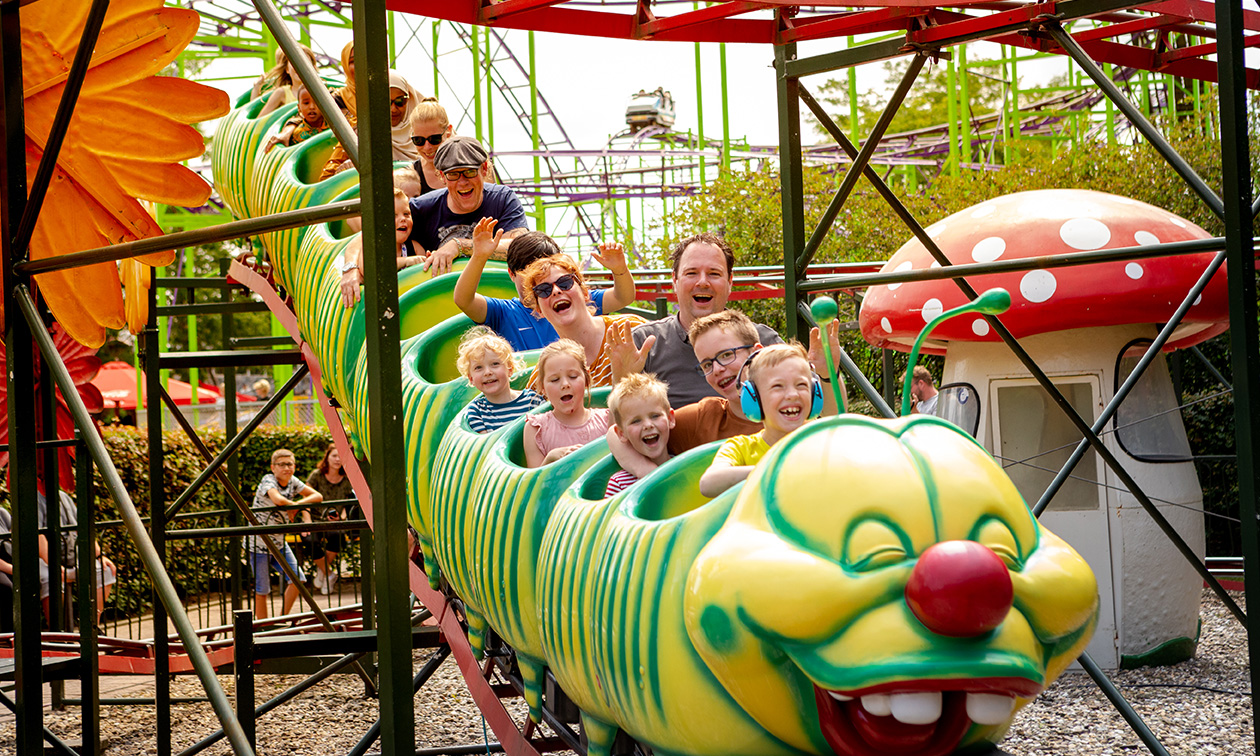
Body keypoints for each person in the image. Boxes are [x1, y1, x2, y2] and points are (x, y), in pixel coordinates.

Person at [609, 310, 846, 479]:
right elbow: (614, 435)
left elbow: (838, 423)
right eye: (706, 365)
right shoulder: (704, 417)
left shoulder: (793, 409)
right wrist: (646, 472)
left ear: (756, 353)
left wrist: (827, 376)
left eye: (726, 355)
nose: (718, 369)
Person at [625, 233, 782, 409]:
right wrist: (621, 378)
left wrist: (820, 374)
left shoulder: (763, 340)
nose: (703, 282)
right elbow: (621, 427)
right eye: (691, 273)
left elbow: (808, 408)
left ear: (730, 282)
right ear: (674, 281)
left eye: (714, 273)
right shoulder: (644, 344)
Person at [455, 218, 636, 352]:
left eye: (548, 270)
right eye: (530, 273)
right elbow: (464, 299)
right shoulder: (504, 312)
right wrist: (479, 256)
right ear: (511, 273)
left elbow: (623, 296)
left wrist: (619, 269)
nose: (551, 287)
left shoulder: (575, 298)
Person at [698, 343, 824, 498]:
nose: (792, 394)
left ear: (814, 393)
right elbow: (708, 484)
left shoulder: (822, 438)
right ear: (754, 400)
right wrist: (779, 469)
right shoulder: (741, 448)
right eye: (778, 386)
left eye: (801, 385)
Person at [404, 136, 528, 276]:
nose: (462, 182)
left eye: (469, 172)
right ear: (442, 176)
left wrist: (460, 246)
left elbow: (520, 247)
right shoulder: (419, 209)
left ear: (484, 169)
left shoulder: (503, 199)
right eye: (453, 174)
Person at [518, 254, 646, 390]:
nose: (556, 291)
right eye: (544, 291)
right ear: (539, 310)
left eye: (565, 283)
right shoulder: (546, 372)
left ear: (585, 292)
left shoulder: (630, 330)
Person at [250, 449, 322, 619]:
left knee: (298, 579)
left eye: (289, 464)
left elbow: (317, 496)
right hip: (260, 542)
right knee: (263, 588)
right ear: (273, 467)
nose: (286, 468)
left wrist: (296, 505)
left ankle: (281, 619)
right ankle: (263, 627)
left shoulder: (292, 481)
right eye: (281, 464)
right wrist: (292, 505)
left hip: (279, 542)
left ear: (294, 466)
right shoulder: (268, 480)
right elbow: (277, 499)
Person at [524, 339, 611, 468]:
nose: (565, 384)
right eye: (555, 380)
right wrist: (551, 458)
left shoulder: (607, 419)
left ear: (586, 379)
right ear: (543, 387)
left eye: (573, 377)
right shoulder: (536, 428)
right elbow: (534, 483)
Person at [319, 69, 420, 180]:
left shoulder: (422, 129)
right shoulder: (360, 131)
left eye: (400, 102)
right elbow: (327, 175)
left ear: (409, 101)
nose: (393, 109)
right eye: (386, 101)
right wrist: (347, 168)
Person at [340, 188, 426, 307]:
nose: (402, 219)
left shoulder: (414, 248)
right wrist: (405, 261)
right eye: (393, 215)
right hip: (377, 307)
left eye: (406, 214)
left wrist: (428, 261)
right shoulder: (373, 247)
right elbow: (369, 269)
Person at [457, 328, 543, 433]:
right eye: (479, 368)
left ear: (510, 369)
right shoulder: (477, 411)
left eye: (495, 364)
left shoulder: (532, 401)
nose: (487, 372)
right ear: (471, 379)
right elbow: (487, 445)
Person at [605, 373, 674, 496]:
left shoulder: (683, 464)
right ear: (621, 433)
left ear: (670, 419)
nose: (648, 425)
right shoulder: (619, 484)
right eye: (636, 421)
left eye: (655, 416)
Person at [304, 444, 355, 595]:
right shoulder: (316, 475)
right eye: (334, 455)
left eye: (340, 456)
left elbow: (347, 503)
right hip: (314, 520)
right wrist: (307, 521)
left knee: (338, 537)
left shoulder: (347, 479)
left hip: (334, 522)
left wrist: (342, 517)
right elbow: (305, 499)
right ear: (327, 457)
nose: (337, 459)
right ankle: (329, 574)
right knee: (309, 541)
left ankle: (323, 573)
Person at [257, 43, 319, 117]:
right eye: (294, 63)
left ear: (314, 68)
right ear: (287, 69)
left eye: (305, 62)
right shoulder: (282, 93)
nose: (300, 67)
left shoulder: (322, 92)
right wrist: (256, 88)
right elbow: (259, 121)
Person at [263, 84, 329, 153]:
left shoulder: (332, 125)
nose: (311, 107)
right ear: (299, 108)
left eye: (317, 102)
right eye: (306, 103)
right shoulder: (297, 135)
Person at [409, 97, 454, 196]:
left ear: (448, 131)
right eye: (419, 140)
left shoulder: (471, 166)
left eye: (434, 139)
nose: (427, 147)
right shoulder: (411, 175)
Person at [331, 41, 356, 119]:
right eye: (353, 61)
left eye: (364, 59)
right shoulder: (336, 99)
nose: (360, 65)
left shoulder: (389, 94)